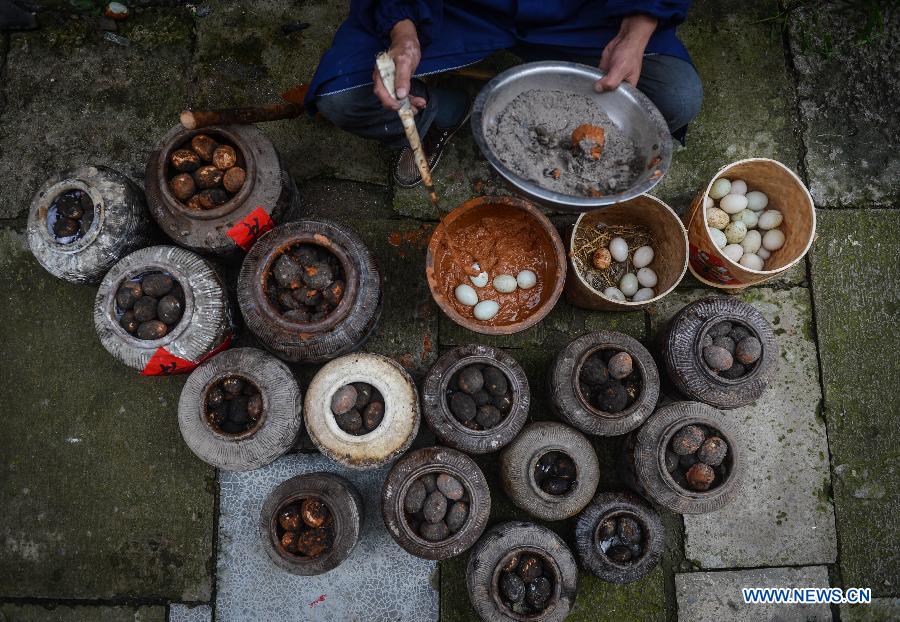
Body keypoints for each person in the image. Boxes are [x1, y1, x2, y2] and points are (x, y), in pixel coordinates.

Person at [304, 1, 702, 188]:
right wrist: (402, 30)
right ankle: (447, 111)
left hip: (583, 14)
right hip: (462, 11)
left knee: (675, 98)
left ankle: (565, 113)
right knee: (343, 96)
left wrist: (639, 24)